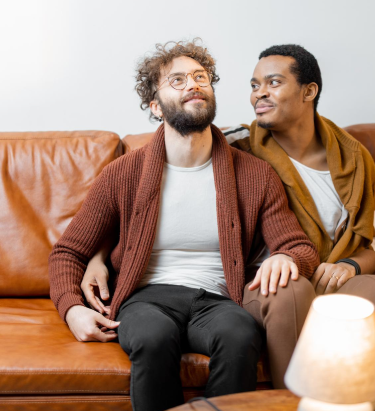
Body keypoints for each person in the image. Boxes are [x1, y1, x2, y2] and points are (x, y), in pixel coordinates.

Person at [49, 40, 320, 411]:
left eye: (200, 77)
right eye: (177, 80)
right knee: (151, 336)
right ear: (155, 106)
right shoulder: (123, 173)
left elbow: (300, 247)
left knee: (240, 335)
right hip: (148, 298)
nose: (193, 84)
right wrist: (72, 310)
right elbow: (67, 252)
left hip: (217, 300)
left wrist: (287, 258)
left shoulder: (255, 174)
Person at [223, 44, 375, 388]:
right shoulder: (236, 147)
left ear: (309, 91)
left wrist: (349, 266)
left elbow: (369, 245)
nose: (259, 93)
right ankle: (290, 402)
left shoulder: (355, 158)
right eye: (254, 85)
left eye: (273, 82)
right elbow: (151, 175)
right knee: (288, 289)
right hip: (265, 283)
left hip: (331, 277)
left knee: (369, 289)